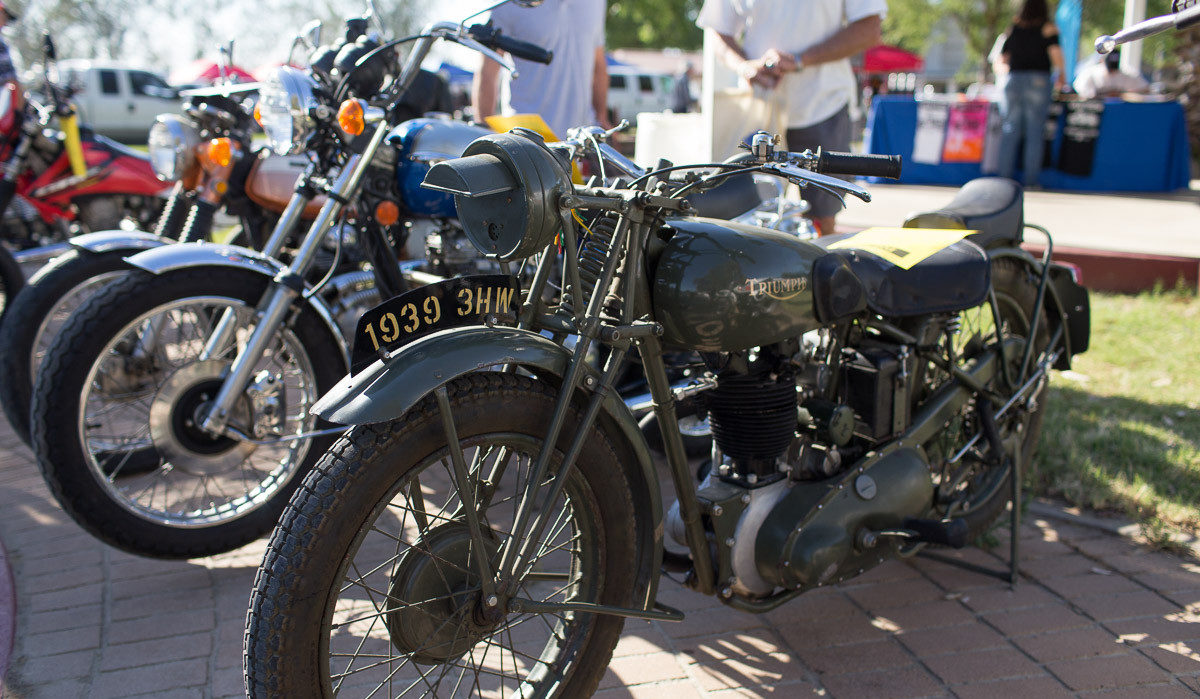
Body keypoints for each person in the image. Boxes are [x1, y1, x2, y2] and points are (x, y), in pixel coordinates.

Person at [696, 0, 886, 237]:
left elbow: (869, 29)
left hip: (822, 105)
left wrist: (801, 60)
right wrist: (744, 66)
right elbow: (716, 28)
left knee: (822, 223)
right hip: (757, 109)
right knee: (742, 218)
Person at [471, 0, 611, 139]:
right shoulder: (510, 3)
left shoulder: (596, 2)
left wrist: (602, 117)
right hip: (524, 138)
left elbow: (598, 64)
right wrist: (483, 132)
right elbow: (487, 72)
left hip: (578, 139)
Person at [994, 0, 1065, 190]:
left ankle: (1004, 180)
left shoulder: (1014, 28)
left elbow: (1002, 58)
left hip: (1013, 80)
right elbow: (1056, 54)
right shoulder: (1048, 28)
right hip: (1038, 80)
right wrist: (1062, 76)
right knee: (1035, 132)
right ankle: (1031, 181)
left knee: (1010, 130)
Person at [1072, 49, 1149, 100]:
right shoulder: (1089, 74)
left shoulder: (1127, 74)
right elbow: (1081, 96)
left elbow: (1145, 90)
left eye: (1114, 68)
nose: (1112, 71)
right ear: (1102, 61)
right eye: (1109, 68)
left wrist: (1123, 95)